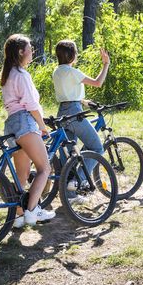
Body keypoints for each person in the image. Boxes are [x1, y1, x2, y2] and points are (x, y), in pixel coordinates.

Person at [0, 34, 56, 228]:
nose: (32, 51)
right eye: (30, 48)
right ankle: (33, 211)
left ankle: (18, 216)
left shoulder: (8, 74)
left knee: (21, 176)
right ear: (21, 52)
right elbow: (30, 104)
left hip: (12, 125)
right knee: (44, 168)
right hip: (25, 122)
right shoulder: (22, 74)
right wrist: (42, 125)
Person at [52, 40, 110, 184]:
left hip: (62, 112)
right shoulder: (73, 72)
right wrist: (106, 64)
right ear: (72, 55)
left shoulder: (57, 71)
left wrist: (83, 101)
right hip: (74, 112)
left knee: (69, 157)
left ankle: (69, 192)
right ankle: (79, 181)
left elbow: (68, 93)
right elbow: (98, 82)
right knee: (97, 147)